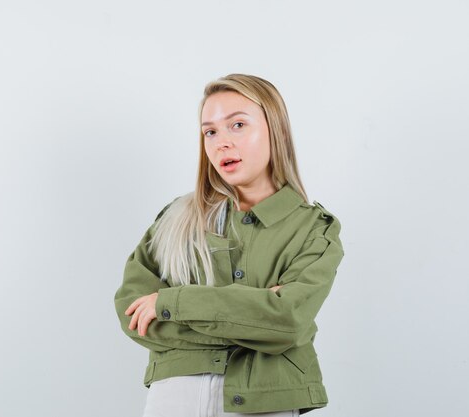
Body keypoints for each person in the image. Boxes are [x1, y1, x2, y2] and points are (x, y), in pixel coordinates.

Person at [113, 74, 345, 417]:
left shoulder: (313, 229)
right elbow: (133, 314)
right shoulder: (174, 221)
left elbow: (287, 321)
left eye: (237, 124)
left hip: (268, 401)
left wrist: (172, 302)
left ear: (277, 130)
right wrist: (255, 315)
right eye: (210, 131)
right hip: (174, 399)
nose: (221, 142)